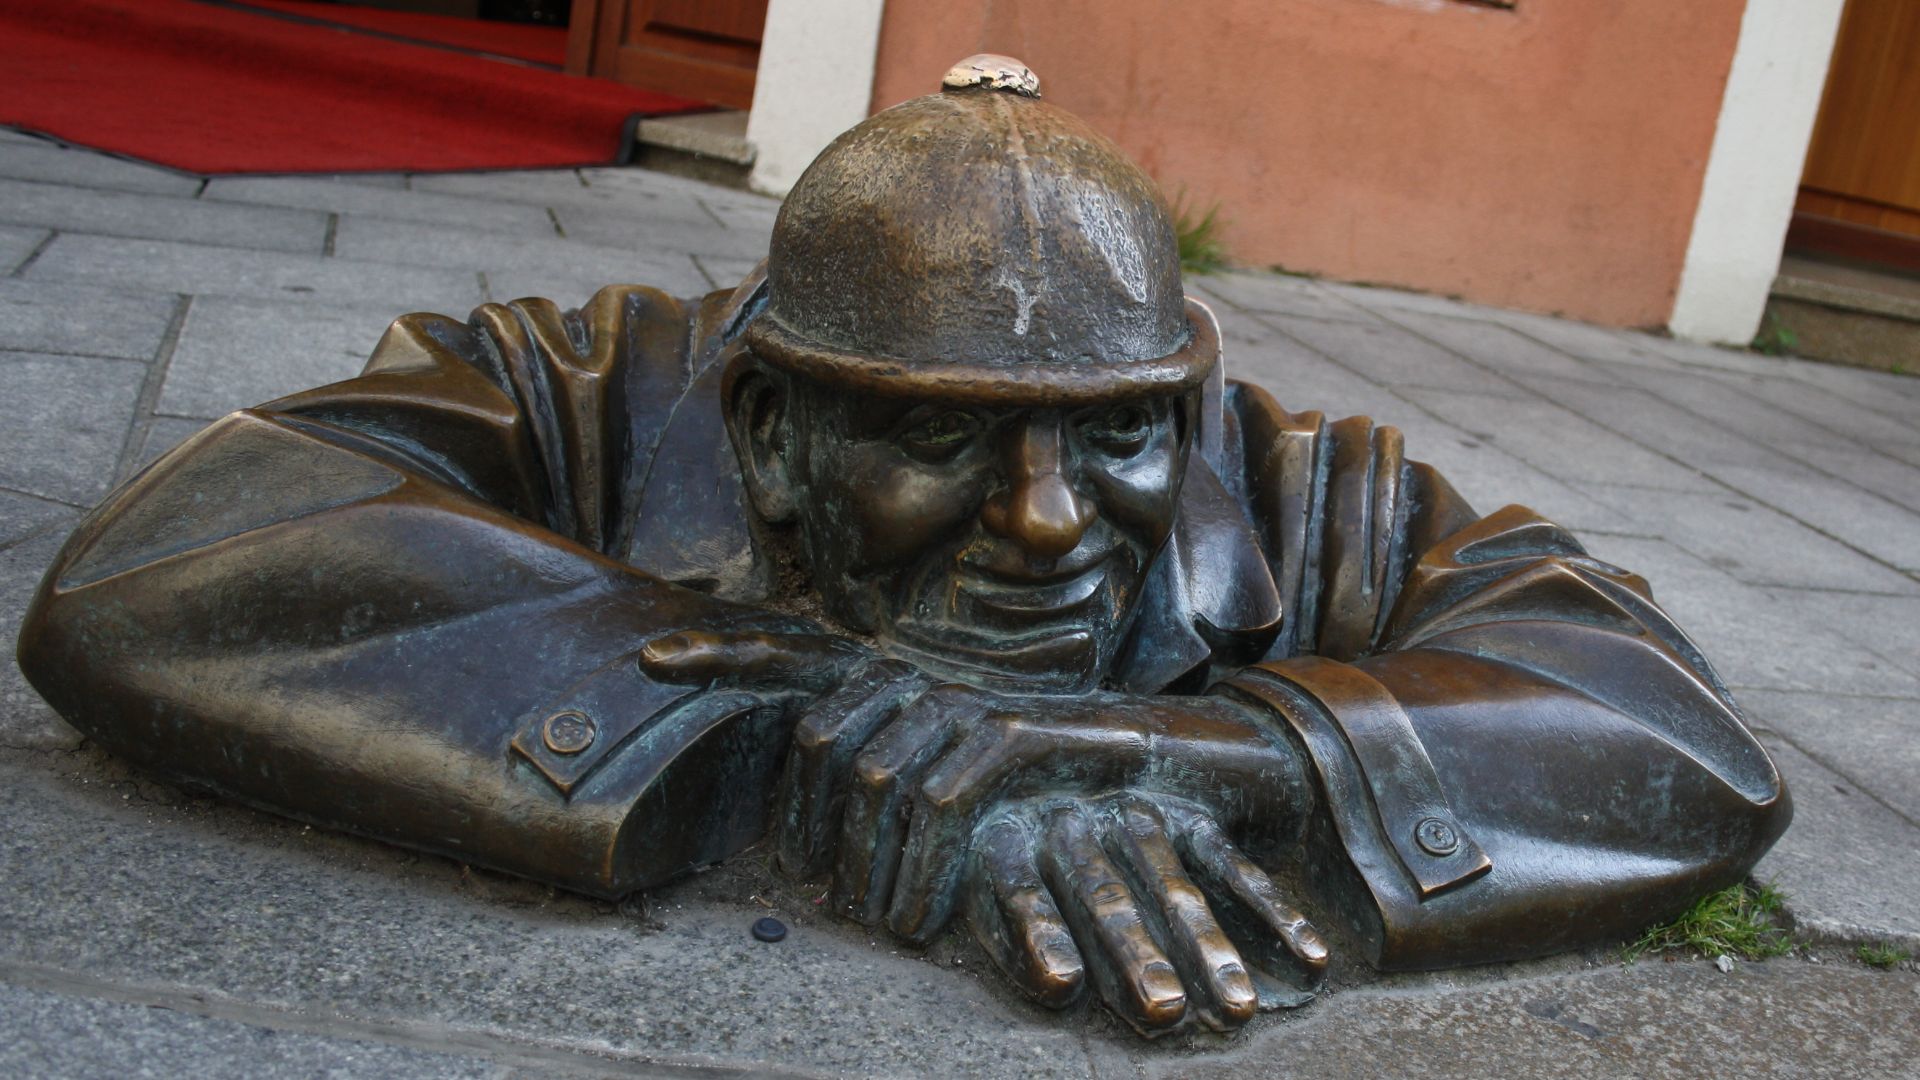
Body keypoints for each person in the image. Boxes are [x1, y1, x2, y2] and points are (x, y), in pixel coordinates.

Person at [15, 56, 1789, 1036]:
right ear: (769, 429)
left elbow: (1668, 729)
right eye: (939, 438)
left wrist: (1177, 752)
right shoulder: (588, 385)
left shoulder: (1287, 474)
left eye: (1116, 436)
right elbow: (166, 562)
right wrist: (792, 730)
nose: (1050, 519)